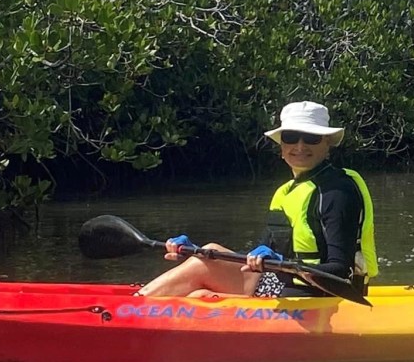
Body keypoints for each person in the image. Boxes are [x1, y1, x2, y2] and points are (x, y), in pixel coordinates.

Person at [138, 101, 378, 299]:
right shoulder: (286, 192)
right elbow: (258, 256)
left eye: (312, 139)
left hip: (325, 293)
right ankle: (150, 308)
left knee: (201, 272)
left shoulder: (338, 191)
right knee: (206, 257)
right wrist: (193, 250)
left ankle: (134, 308)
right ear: (282, 145)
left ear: (327, 144)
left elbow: (340, 271)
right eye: (292, 137)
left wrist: (282, 264)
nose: (300, 146)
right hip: (286, 282)